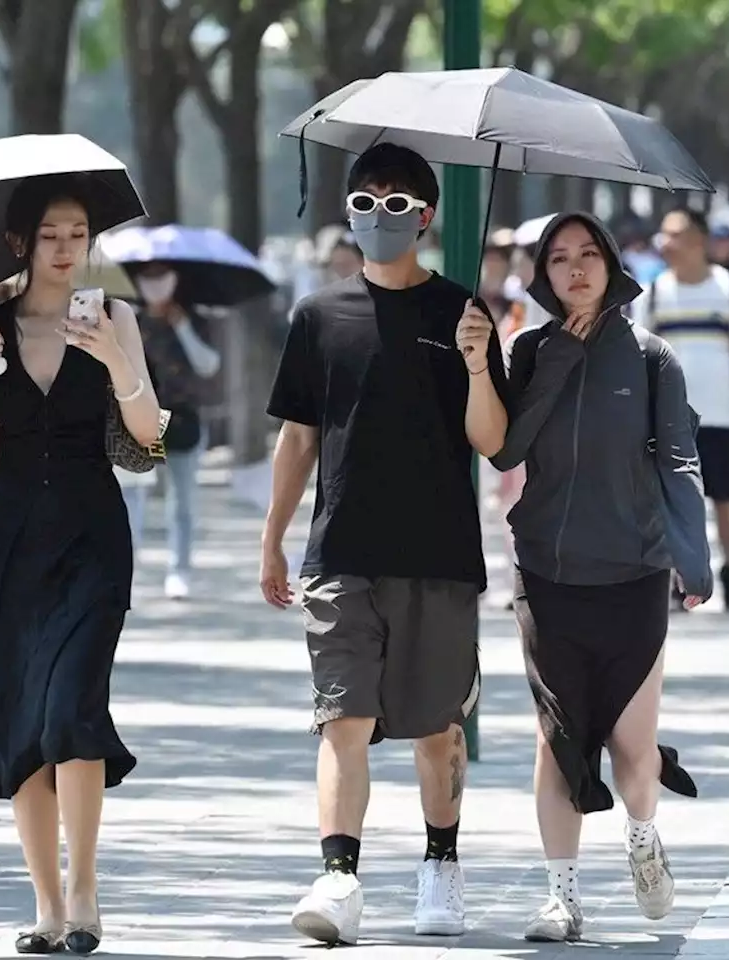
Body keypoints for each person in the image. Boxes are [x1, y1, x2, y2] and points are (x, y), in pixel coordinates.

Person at [258, 142, 508, 946]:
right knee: (344, 720)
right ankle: (339, 877)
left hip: (438, 555)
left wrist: (477, 363)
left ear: (426, 217)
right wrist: (272, 540)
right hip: (341, 553)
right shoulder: (317, 316)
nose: (379, 216)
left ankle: (441, 864)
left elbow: (493, 441)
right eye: (365, 202)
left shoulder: (463, 312)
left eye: (398, 204)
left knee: (437, 729)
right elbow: (297, 438)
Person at [0, 175, 160, 956]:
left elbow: (150, 437)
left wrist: (115, 361)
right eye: (52, 236)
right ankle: (44, 904)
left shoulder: (114, 318)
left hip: (92, 539)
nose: (69, 249)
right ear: (21, 244)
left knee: (71, 710)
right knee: (18, 723)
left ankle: (84, 890)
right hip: (10, 546)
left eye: (79, 234)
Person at [489, 212, 710, 942]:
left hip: (635, 573)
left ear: (612, 265)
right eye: (559, 258)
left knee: (629, 745)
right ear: (544, 275)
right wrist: (551, 364)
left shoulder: (652, 359)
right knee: (557, 739)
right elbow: (505, 450)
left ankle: (643, 837)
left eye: (588, 255)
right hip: (548, 573)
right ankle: (562, 897)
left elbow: (679, 459)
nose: (575, 269)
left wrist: (692, 555)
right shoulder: (527, 351)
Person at [631, 207, 729, 612]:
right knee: (669, 499)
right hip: (669, 418)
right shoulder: (652, 293)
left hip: (720, 414)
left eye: (676, 235)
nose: (666, 244)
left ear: (700, 240)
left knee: (724, 498)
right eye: (664, 235)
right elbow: (642, 359)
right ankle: (676, 575)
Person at [128, 262, 222, 600]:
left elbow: (208, 365)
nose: (156, 284)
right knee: (134, 495)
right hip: (143, 423)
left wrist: (182, 326)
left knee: (181, 500)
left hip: (181, 421)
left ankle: (179, 569)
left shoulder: (193, 317)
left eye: (162, 276)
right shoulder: (130, 320)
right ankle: (129, 569)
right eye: (149, 277)